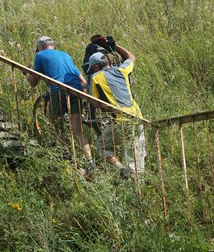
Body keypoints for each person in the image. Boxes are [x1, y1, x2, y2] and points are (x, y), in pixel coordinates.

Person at [24, 36, 94, 170]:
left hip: (59, 90)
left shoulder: (40, 55)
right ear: (53, 45)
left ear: (40, 47)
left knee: (55, 124)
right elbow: (82, 80)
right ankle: (89, 161)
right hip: (76, 90)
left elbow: (33, 82)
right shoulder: (66, 55)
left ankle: (65, 154)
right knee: (78, 130)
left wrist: (27, 73)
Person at [86, 44, 146, 177]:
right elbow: (131, 57)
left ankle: (122, 171)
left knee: (103, 146)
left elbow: (95, 103)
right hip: (138, 118)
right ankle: (138, 184)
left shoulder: (95, 77)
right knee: (136, 154)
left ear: (96, 67)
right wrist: (114, 46)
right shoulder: (121, 70)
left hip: (121, 121)